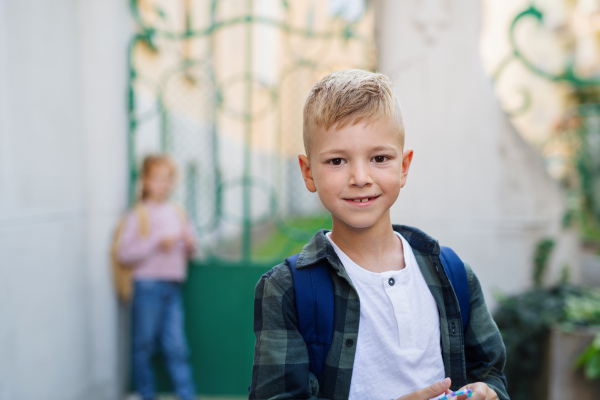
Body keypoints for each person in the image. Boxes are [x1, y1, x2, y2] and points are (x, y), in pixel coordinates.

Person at [249, 70, 509, 400]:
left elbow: (491, 372)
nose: (360, 177)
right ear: (308, 171)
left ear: (403, 166)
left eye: (379, 158)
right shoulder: (287, 291)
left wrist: (489, 392)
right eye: (337, 160)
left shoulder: (454, 275)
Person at [117, 155, 197, 400]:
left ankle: (187, 395)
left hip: (173, 285)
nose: (163, 184)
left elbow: (191, 249)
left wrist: (189, 244)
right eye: (157, 178)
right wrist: (155, 242)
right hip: (147, 286)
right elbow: (123, 253)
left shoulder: (177, 212)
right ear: (145, 181)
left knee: (177, 347)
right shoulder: (138, 215)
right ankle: (145, 394)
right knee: (144, 345)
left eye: (167, 179)